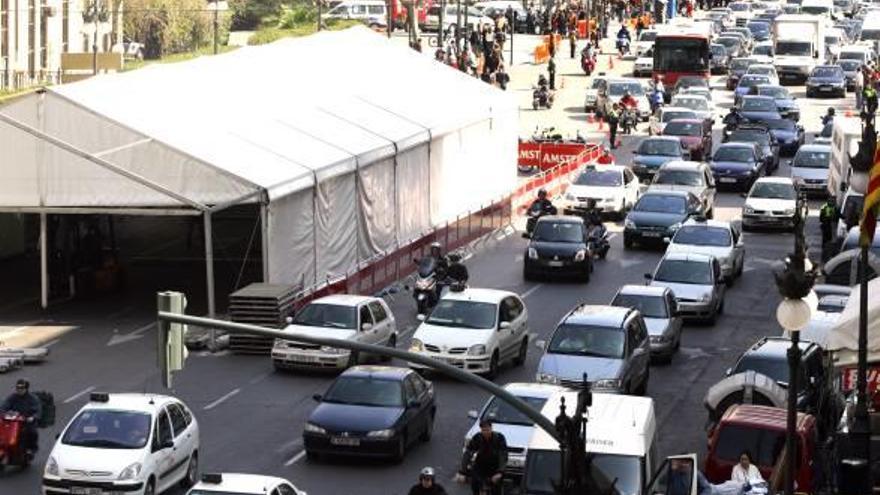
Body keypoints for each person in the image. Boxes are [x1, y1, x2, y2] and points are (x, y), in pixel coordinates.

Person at [458, 419, 508, 495]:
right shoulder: (477, 438)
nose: (486, 432)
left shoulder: (499, 438)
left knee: (496, 488)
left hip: (495, 467)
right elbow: (468, 453)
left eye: (487, 430)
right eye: (483, 430)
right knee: (475, 484)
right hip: (480, 466)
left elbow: (503, 455)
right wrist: (463, 471)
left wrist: (500, 471)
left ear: (491, 428)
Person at [1, 379, 42, 455]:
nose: (19, 390)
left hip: (27, 422)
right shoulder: (12, 397)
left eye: (22, 388)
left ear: (26, 388)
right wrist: (2, 413)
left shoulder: (33, 398)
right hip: (14, 421)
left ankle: (31, 449)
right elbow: (4, 406)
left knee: (32, 432)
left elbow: (38, 411)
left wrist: (33, 417)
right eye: (18, 388)